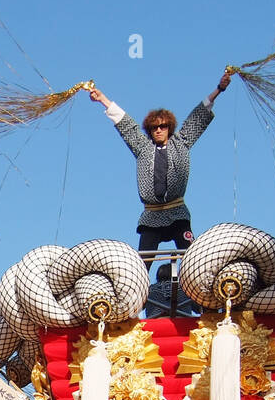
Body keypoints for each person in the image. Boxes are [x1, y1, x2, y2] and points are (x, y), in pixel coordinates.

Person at [87, 73, 232, 264]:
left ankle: (199, 291)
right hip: (151, 216)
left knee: (193, 257)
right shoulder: (143, 147)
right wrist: (102, 99)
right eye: (154, 127)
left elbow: (197, 116)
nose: (158, 130)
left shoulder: (181, 142)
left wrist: (219, 90)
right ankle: (138, 291)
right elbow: (125, 124)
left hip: (177, 212)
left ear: (169, 128)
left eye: (163, 126)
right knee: (141, 262)